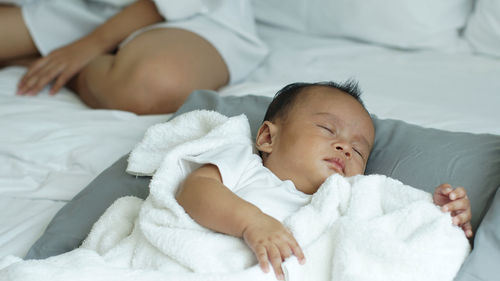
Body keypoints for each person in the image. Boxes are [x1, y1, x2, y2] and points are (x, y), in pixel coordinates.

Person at [175, 81, 473, 280]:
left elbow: (394, 231)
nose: (345, 148)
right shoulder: (246, 165)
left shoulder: (347, 199)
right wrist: (252, 222)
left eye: (358, 150)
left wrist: (439, 214)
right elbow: (195, 189)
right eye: (328, 129)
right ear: (268, 137)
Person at [0, 0, 267, 114]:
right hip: (85, 9)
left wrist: (89, 46)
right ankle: (67, 62)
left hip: (196, 15)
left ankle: (46, 65)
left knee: (149, 87)